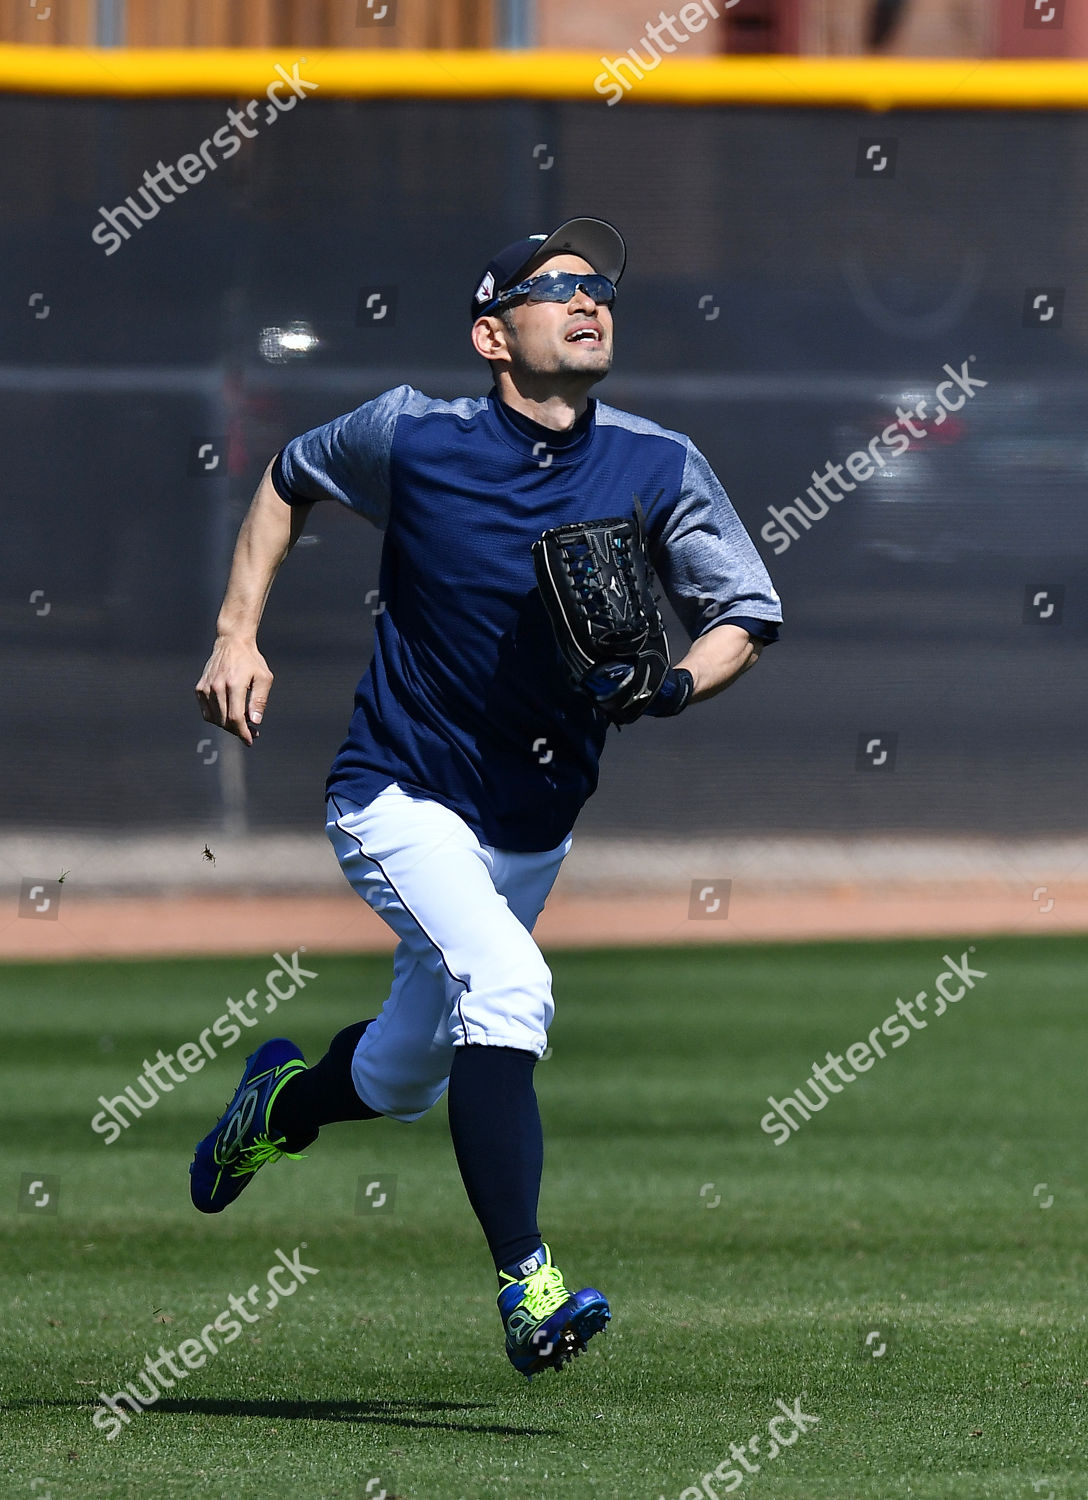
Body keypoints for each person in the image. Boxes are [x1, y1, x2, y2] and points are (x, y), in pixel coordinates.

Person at [191, 217, 782, 1377]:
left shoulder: (657, 462)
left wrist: (666, 687)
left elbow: (743, 617)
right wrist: (235, 631)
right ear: (490, 334)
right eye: (553, 285)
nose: (586, 298)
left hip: (530, 826)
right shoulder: (411, 434)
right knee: (508, 989)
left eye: (598, 285)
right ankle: (529, 1286)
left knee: (400, 1076)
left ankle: (275, 1107)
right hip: (396, 793)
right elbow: (283, 477)